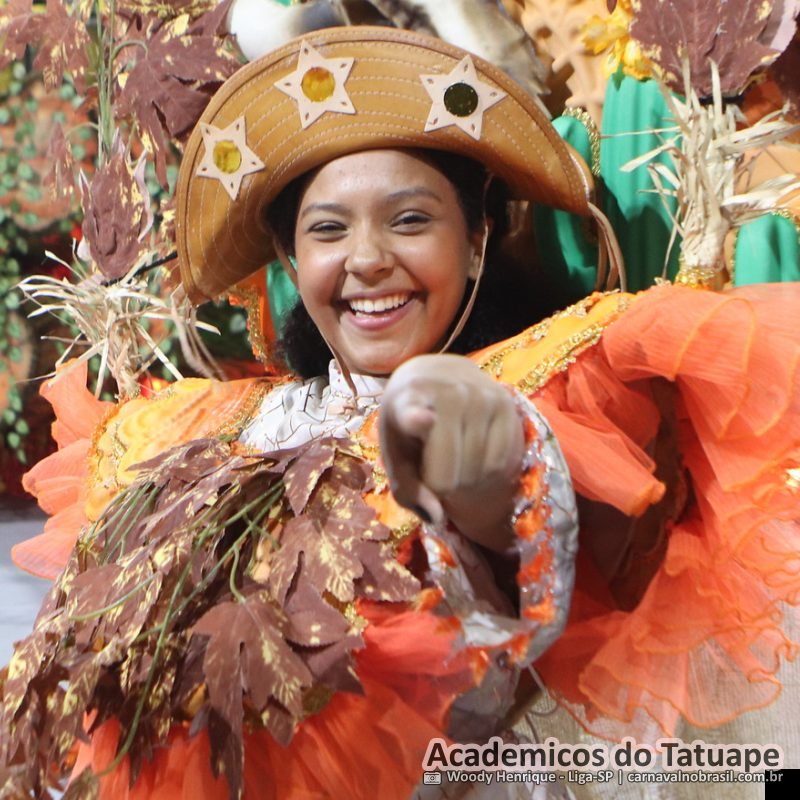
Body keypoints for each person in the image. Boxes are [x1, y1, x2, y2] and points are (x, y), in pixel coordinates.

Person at [5, 26, 799, 800]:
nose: (368, 258)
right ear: (290, 259)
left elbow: (516, 517)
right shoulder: (199, 428)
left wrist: (470, 463)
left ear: (477, 240)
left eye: (410, 220)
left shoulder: (541, 391)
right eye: (328, 230)